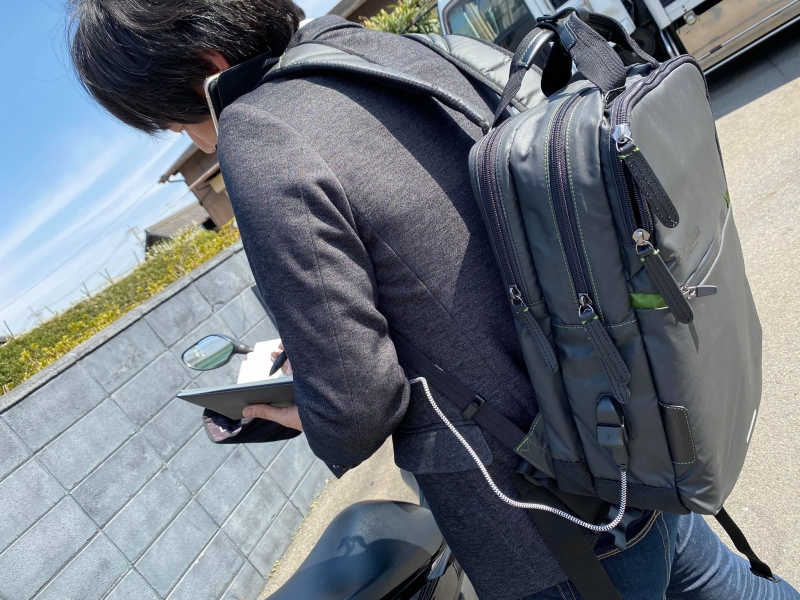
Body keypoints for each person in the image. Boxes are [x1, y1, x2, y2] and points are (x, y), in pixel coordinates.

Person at [67, 2, 799, 598]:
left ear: (207, 66)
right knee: (731, 588)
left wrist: (290, 408)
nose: (195, 139)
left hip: (541, 506)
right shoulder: (383, 50)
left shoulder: (259, 134)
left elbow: (358, 405)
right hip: (624, 416)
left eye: (174, 122)